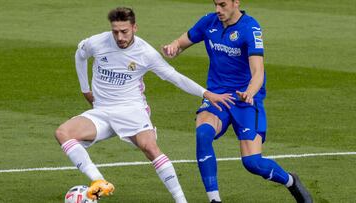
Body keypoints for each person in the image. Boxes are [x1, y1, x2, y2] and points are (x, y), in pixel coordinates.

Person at [54, 7, 235, 203]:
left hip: (132, 110)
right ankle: (98, 181)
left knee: (150, 148)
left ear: (134, 28)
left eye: (124, 31)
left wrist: (206, 93)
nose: (120, 37)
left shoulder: (145, 53)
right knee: (63, 133)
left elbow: (174, 77)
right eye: (115, 32)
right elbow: (80, 55)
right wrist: (85, 89)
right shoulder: (97, 42)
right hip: (102, 111)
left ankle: (181, 200)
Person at [162, 0, 313, 202]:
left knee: (253, 163)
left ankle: (290, 181)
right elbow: (181, 42)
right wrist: (173, 47)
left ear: (236, 3)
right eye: (215, 4)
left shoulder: (250, 28)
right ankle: (215, 199)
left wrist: (249, 92)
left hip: (246, 101)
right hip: (218, 97)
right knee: (203, 133)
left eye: (223, 5)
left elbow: (258, 71)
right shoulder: (209, 22)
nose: (217, 10)